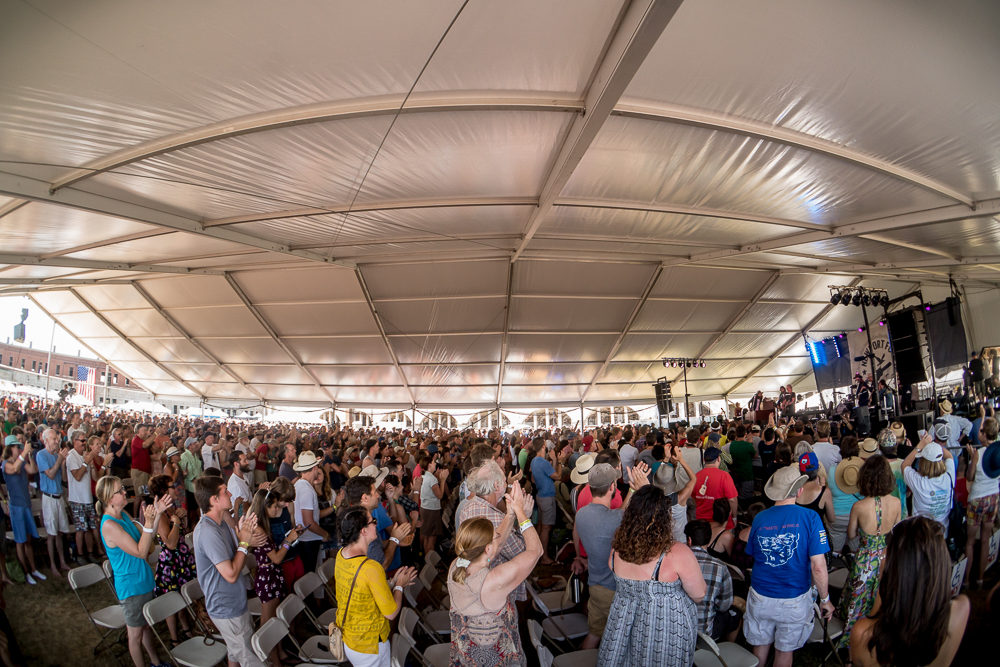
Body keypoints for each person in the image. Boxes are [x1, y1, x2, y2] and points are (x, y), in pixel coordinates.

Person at [597, 485, 706, 666]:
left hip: (623, 626)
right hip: (665, 630)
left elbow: (614, 568)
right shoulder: (676, 552)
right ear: (665, 518)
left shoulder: (617, 549)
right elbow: (699, 593)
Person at [849, 517, 969, 667]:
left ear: (894, 572)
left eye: (885, 556)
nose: (881, 560)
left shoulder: (865, 635)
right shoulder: (961, 609)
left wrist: (884, 584)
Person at [745, 465, 833, 667]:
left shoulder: (759, 518)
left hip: (760, 594)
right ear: (799, 490)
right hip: (793, 598)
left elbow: (753, 555)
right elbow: (818, 566)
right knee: (784, 652)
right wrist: (825, 599)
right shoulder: (811, 518)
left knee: (760, 647)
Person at [448, 483, 541, 666]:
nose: (498, 537)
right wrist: (521, 514)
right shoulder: (494, 581)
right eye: (494, 536)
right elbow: (536, 551)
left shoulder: (458, 564)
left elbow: (496, 541)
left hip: (466, 656)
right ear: (488, 549)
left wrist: (510, 513)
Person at [96, 475, 172, 667]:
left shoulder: (123, 515)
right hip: (131, 587)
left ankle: (154, 662)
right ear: (109, 498)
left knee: (145, 627)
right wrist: (148, 522)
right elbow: (140, 552)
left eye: (123, 488)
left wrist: (157, 515)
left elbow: (148, 537)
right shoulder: (109, 525)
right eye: (120, 490)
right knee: (135, 635)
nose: (125, 492)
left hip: (143, 579)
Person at [573, 462, 649, 649]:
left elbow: (620, 513)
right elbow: (626, 514)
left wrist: (632, 491)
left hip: (595, 585)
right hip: (615, 591)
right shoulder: (616, 519)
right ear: (613, 487)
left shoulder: (581, 514)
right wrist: (639, 488)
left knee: (594, 634)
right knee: (622, 642)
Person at [192, 475, 266, 667]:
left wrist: (246, 540)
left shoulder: (222, 523)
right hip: (225, 606)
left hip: (234, 601)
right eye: (225, 491)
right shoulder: (208, 531)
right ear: (213, 500)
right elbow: (231, 573)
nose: (231, 493)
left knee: (235, 654)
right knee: (251, 659)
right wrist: (244, 542)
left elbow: (236, 555)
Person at [335, 506, 417, 667]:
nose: (376, 525)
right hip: (370, 644)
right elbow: (392, 613)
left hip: (350, 637)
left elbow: (362, 588)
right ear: (363, 531)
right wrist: (399, 586)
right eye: (373, 522)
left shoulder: (341, 554)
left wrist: (391, 583)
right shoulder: (371, 567)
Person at [839, 455, 901, 650]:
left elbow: (850, 534)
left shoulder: (859, 506)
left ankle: (852, 643)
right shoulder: (896, 503)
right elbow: (896, 531)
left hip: (865, 558)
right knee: (880, 598)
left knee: (857, 601)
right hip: (886, 556)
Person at [457, 459, 528, 604]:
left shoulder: (469, 506)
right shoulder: (493, 517)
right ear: (496, 486)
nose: (505, 485)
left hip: (475, 585)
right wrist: (523, 517)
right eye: (503, 481)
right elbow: (522, 552)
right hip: (496, 590)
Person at [248, 487, 305, 664]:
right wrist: (289, 541)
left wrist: (291, 537)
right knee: (268, 623)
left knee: (274, 618)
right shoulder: (259, 530)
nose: (277, 510)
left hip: (272, 575)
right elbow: (277, 558)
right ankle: (273, 658)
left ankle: (280, 652)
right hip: (267, 577)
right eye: (273, 507)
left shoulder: (264, 526)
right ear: (264, 507)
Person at [147, 474, 195, 645]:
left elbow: (185, 531)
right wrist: (175, 522)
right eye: (172, 486)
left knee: (182, 596)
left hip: (182, 560)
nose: (176, 489)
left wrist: (180, 519)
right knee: (171, 603)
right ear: (163, 491)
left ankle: (186, 629)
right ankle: (174, 639)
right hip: (171, 564)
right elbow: (171, 543)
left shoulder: (171, 508)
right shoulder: (160, 514)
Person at [1, 438, 47, 584]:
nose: (20, 449)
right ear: (10, 448)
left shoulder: (21, 461)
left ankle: (33, 569)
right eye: (17, 447)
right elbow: (13, 469)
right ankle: (25, 572)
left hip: (26, 505)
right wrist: (24, 454)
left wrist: (30, 455)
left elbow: (33, 470)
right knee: (20, 541)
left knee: (28, 540)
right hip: (16, 507)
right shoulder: (5, 464)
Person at [684, 519, 737, 642]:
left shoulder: (674, 562)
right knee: (734, 614)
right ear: (708, 540)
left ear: (689, 540)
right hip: (704, 635)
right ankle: (725, 650)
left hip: (677, 629)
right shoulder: (720, 567)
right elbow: (724, 605)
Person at [963, 416, 999, 588]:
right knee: (985, 539)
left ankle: (967, 580)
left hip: (977, 499)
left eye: (981, 431)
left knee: (970, 541)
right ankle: (980, 578)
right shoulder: (998, 451)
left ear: (984, 434)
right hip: (994, 497)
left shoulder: (978, 454)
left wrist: (972, 458)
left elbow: (969, 477)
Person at [902, 425, 955, 529]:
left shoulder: (919, 482)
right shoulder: (949, 477)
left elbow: (905, 465)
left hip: (921, 532)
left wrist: (921, 445)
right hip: (942, 530)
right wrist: (934, 446)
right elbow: (949, 456)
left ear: (922, 462)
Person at [35, 428, 72, 576]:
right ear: (45, 440)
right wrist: (59, 460)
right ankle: (52, 564)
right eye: (53, 439)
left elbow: (63, 478)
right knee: (51, 533)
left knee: (60, 533)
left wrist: (62, 464)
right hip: (49, 498)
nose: (57, 441)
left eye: (57, 439)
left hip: (59, 496)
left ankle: (62, 561)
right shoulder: (41, 455)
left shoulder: (58, 455)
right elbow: (50, 474)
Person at [292, 451, 330, 574]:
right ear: (314, 468)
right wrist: (324, 534)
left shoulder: (301, 484)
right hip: (308, 540)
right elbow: (308, 521)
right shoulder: (306, 489)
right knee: (308, 573)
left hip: (306, 538)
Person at [66, 431, 101, 563]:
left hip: (87, 498)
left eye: (85, 440)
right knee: (81, 529)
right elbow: (78, 476)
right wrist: (86, 463)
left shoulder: (85, 455)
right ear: (74, 441)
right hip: (77, 498)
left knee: (91, 527)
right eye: (81, 440)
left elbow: (95, 477)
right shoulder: (71, 457)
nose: (84, 443)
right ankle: (80, 555)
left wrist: (91, 465)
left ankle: (90, 552)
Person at [529, 439, 564, 565]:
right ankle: (544, 557)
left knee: (540, 525)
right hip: (547, 496)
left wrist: (554, 461)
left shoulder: (534, 461)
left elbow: (536, 478)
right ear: (544, 447)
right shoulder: (542, 462)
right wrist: (560, 462)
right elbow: (558, 476)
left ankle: (536, 553)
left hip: (540, 495)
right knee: (546, 528)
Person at [693, 447, 737, 529]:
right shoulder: (724, 475)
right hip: (722, 522)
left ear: (704, 460)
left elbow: (693, 498)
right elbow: (732, 500)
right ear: (718, 459)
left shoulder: (696, 476)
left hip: (701, 522)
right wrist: (734, 516)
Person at [796, 452, 834, 529]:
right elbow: (832, 519)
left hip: (800, 534)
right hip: (818, 535)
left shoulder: (794, 490)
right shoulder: (825, 492)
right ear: (818, 468)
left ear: (800, 470)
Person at [420, 456, 449, 556]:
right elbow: (440, 495)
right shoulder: (431, 479)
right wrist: (443, 480)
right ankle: (430, 561)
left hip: (425, 509)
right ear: (429, 465)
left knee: (427, 536)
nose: (435, 464)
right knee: (431, 538)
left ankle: (426, 559)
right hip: (431, 510)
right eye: (433, 462)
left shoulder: (424, 476)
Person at [728, 425, 757, 502]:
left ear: (736, 434)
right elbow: (755, 456)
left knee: (737, 495)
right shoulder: (748, 445)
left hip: (736, 474)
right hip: (747, 474)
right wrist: (750, 443)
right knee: (747, 498)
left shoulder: (732, 445)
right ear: (745, 434)